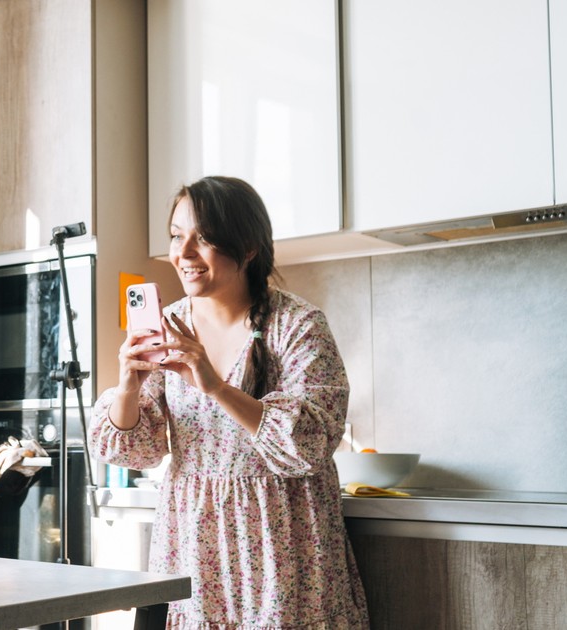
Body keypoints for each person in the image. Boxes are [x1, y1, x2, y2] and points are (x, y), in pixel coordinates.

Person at [89, 176, 369, 628]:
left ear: (249, 247)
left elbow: (310, 442)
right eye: (177, 236)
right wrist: (128, 387)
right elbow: (135, 451)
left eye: (203, 239)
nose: (183, 253)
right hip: (193, 543)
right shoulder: (167, 326)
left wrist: (217, 386)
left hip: (283, 545)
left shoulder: (298, 325)